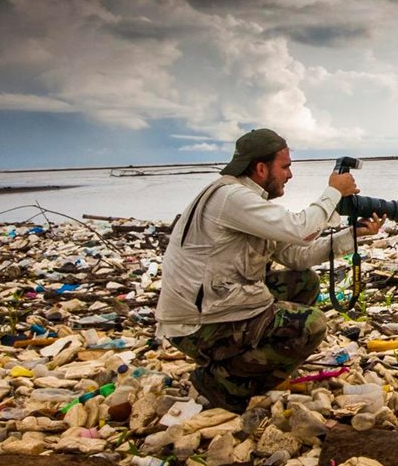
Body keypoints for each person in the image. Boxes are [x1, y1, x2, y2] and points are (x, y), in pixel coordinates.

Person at [155, 128, 385, 412]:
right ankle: (221, 382)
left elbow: (296, 255)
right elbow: (301, 229)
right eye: (285, 167)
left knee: (304, 281)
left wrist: (352, 236)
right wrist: (334, 192)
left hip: (216, 305)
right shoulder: (230, 197)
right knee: (311, 324)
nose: (290, 175)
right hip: (198, 323)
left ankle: (247, 365)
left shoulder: (247, 201)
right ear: (261, 168)